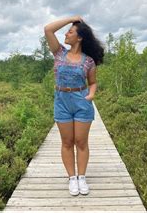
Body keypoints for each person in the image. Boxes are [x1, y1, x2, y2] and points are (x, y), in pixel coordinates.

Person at [44, 16, 104, 196]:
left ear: (79, 38)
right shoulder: (59, 53)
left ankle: (82, 177)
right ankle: (72, 178)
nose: (66, 34)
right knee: (67, 142)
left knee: (81, 142)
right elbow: (48, 29)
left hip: (81, 100)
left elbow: (92, 82)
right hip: (61, 101)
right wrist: (72, 19)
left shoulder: (88, 61)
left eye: (70, 32)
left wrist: (91, 94)